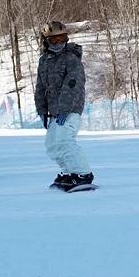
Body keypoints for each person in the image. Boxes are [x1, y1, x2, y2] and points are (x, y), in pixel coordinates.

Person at [35, 21, 94, 191]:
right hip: (54, 111)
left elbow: (73, 85)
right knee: (52, 145)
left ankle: (83, 174)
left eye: (62, 38)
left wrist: (64, 109)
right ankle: (69, 172)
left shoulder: (71, 58)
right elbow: (40, 87)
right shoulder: (44, 61)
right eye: (55, 40)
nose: (59, 43)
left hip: (69, 109)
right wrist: (42, 110)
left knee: (65, 141)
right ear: (46, 41)